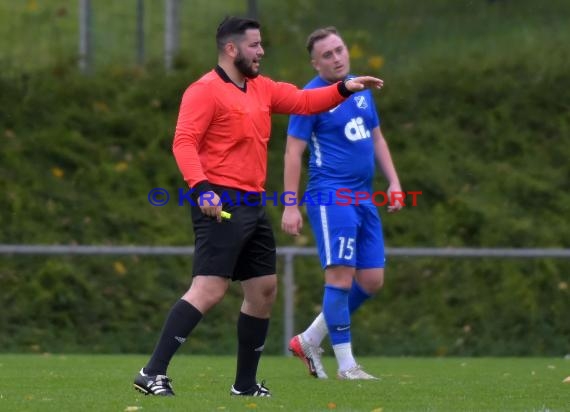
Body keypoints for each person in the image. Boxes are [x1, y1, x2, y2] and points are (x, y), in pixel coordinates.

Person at [133, 17, 383, 397]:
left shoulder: (261, 88)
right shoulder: (203, 90)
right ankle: (152, 372)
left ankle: (245, 385)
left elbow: (304, 100)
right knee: (209, 289)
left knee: (264, 289)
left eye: (261, 44)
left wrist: (345, 87)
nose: (261, 51)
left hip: (252, 200)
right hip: (219, 200)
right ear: (232, 49)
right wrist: (201, 190)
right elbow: (183, 142)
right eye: (254, 45)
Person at [281, 27, 403, 380]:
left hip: (364, 197)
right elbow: (292, 152)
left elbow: (377, 138)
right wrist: (291, 204)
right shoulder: (309, 97)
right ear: (315, 62)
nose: (336, 58)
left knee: (372, 280)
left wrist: (394, 181)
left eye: (339, 50)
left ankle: (309, 339)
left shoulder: (360, 89)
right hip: (331, 196)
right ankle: (347, 366)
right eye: (327, 55)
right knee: (340, 278)